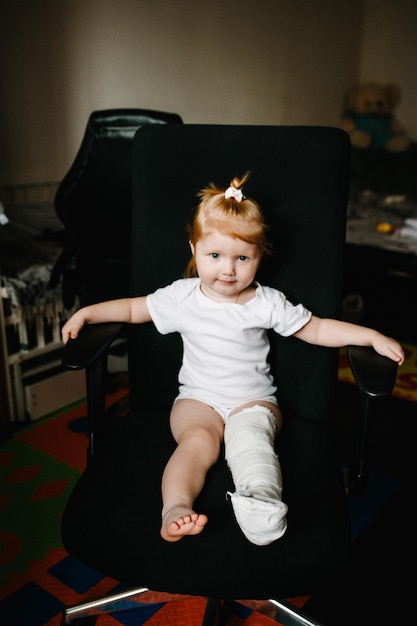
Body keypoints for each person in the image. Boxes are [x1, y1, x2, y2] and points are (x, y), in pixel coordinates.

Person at [61, 173, 405, 546]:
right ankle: (175, 509)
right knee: (197, 443)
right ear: (193, 249)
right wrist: (87, 313)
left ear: (259, 256)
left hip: (253, 400)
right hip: (198, 400)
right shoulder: (181, 297)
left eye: (242, 257)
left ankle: (261, 503)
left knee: (250, 440)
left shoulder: (265, 301)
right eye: (215, 256)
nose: (228, 269)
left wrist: (369, 335)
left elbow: (317, 329)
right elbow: (131, 309)